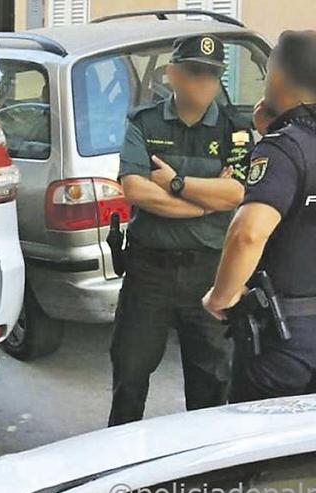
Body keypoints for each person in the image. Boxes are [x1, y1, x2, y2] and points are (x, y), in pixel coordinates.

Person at [109, 35, 254, 426]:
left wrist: (174, 183)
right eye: (194, 72)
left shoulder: (234, 130)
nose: (204, 82)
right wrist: (203, 203)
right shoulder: (144, 122)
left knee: (210, 387)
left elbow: (236, 193)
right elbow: (135, 188)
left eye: (212, 74)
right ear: (172, 74)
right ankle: (119, 469)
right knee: (130, 377)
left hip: (207, 274)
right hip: (148, 272)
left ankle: (204, 480)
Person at [203, 31, 316, 403]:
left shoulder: (284, 149)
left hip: (286, 337)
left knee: (255, 453)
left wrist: (222, 295)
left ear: (279, 77)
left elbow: (248, 233)